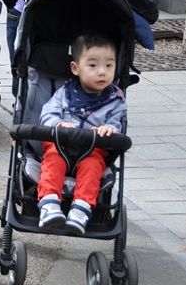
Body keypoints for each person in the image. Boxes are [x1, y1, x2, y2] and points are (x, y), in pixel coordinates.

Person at [37, 34, 126, 236]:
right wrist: (58, 124)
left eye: (109, 66)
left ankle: (81, 209)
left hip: (91, 150)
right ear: (75, 68)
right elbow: (47, 114)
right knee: (52, 160)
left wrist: (110, 130)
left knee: (94, 166)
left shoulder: (116, 100)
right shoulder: (64, 93)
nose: (102, 71)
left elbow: (116, 124)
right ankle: (49, 205)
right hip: (61, 145)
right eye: (93, 65)